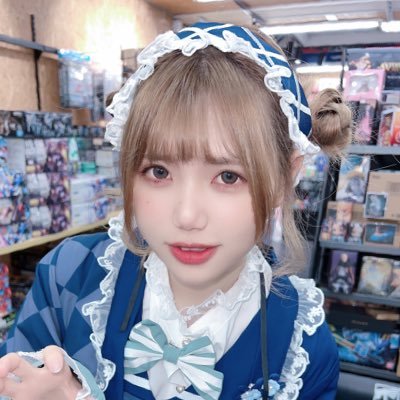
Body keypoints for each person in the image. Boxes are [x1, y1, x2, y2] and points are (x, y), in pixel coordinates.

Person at [0, 22, 352, 399]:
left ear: (286, 177)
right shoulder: (71, 278)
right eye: (159, 171)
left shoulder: (303, 349)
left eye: (228, 176)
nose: (186, 217)